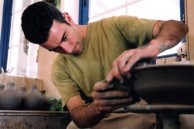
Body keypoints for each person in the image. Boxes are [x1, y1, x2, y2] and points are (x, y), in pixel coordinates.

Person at [21, 1, 188, 129]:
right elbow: (78, 114)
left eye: (64, 37)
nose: (68, 49)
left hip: (141, 112)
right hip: (103, 118)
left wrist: (152, 47)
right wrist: (98, 107)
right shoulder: (60, 68)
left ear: (68, 18)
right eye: (56, 48)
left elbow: (178, 27)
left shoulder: (114, 26)